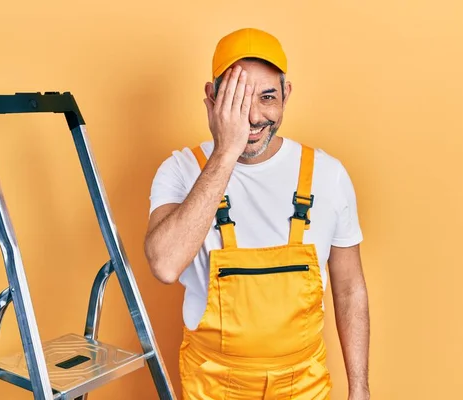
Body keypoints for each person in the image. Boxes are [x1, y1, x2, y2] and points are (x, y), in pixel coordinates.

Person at [144, 27, 370, 400]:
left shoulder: (328, 176)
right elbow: (165, 265)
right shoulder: (181, 170)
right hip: (213, 388)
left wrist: (359, 388)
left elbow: (349, 289)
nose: (252, 116)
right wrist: (224, 153)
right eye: (237, 100)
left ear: (287, 95)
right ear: (212, 97)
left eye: (267, 98)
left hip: (305, 388)